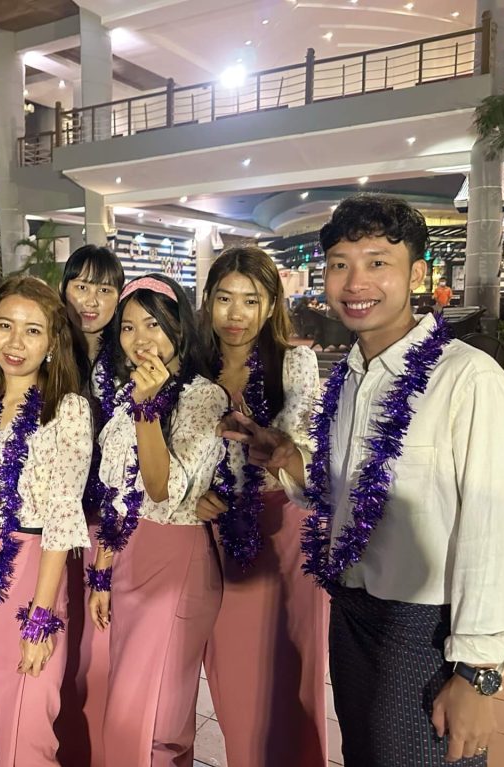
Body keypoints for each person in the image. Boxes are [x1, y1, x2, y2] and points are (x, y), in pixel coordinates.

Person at [225, 194, 504, 766]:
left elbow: (495, 533)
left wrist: (477, 673)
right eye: (340, 264)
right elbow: (346, 493)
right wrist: (289, 458)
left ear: (416, 275)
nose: (355, 282)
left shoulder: (467, 380)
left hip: (426, 631)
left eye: (377, 262)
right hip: (353, 615)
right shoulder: (349, 379)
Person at [196, 247, 328, 767]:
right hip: (215, 538)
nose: (236, 314)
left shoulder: (293, 363)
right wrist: (193, 495)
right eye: (224, 298)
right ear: (208, 302)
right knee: (235, 683)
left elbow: (307, 453)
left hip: (282, 534)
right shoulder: (192, 368)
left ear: (272, 305)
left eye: (251, 300)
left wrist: (281, 451)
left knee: (289, 678)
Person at [89, 273, 228, 767]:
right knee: (129, 705)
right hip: (129, 553)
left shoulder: (204, 397)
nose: (140, 339)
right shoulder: (124, 397)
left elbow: (162, 488)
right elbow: (118, 493)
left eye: (153, 324)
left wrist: (147, 411)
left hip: (177, 560)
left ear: (179, 328)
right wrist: (102, 572)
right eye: (128, 327)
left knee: (157, 721)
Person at [0, 276, 92, 765]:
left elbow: (62, 518)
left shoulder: (67, 410)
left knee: (27, 727)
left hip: (30, 572)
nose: (15, 342)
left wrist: (39, 618)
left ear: (52, 343)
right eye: (5, 325)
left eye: (32, 330)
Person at [57, 244, 125, 767]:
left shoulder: (128, 358)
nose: (91, 300)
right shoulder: (44, 352)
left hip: (107, 520)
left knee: (97, 649)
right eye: (81, 285)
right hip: (49, 521)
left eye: (104, 288)